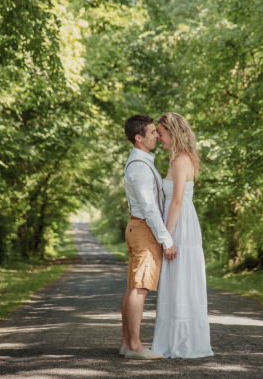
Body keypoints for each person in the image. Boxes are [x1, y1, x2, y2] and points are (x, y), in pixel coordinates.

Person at [151, 112, 214, 359]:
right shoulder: (177, 159)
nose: (158, 137)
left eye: (162, 133)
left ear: (173, 133)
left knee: (181, 280)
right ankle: (172, 340)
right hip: (177, 222)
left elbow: (176, 201)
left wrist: (168, 237)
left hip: (180, 225)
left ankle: (183, 342)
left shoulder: (181, 161)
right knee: (175, 281)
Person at [119, 114, 178, 360]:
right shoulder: (140, 167)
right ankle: (134, 346)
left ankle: (126, 344)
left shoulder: (142, 161)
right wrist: (167, 240)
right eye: (153, 132)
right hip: (144, 230)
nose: (157, 135)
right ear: (138, 137)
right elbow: (151, 208)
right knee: (140, 288)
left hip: (138, 228)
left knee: (134, 287)